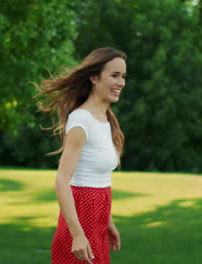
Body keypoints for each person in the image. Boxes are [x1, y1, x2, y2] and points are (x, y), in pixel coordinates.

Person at [36, 47, 127, 264]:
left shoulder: (105, 119)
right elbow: (62, 181)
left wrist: (108, 222)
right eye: (114, 76)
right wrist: (77, 234)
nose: (121, 83)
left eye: (123, 76)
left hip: (98, 219)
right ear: (94, 78)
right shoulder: (81, 120)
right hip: (81, 218)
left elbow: (99, 180)